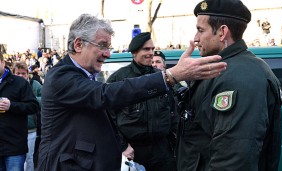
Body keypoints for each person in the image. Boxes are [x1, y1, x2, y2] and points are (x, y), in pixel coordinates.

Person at [36, 14, 227, 171]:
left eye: (108, 47)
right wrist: (169, 76)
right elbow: (106, 95)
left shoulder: (83, 75)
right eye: (102, 45)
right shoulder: (62, 76)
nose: (108, 53)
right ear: (78, 44)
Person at [176, 0, 282, 171]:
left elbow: (233, 159)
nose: (195, 39)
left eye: (200, 30)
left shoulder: (239, 76)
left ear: (222, 32)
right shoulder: (222, 68)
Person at [107, 33, 179, 171]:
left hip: (162, 152)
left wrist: (175, 140)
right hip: (133, 153)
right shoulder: (119, 79)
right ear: (134, 52)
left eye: (152, 49)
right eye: (146, 49)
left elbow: (172, 111)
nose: (151, 53)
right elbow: (108, 117)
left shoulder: (161, 77)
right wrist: (122, 146)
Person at [0, 53, 39, 171]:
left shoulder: (19, 83)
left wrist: (11, 106)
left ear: (2, 62)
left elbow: (33, 106)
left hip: (14, 146)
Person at [12, 61, 42, 171]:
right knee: (15, 158)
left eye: (23, 73)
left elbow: (45, 99)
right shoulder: (10, 86)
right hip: (14, 129)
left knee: (29, 157)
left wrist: (30, 100)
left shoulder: (35, 85)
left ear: (27, 73)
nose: (20, 76)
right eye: (18, 73)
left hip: (31, 128)